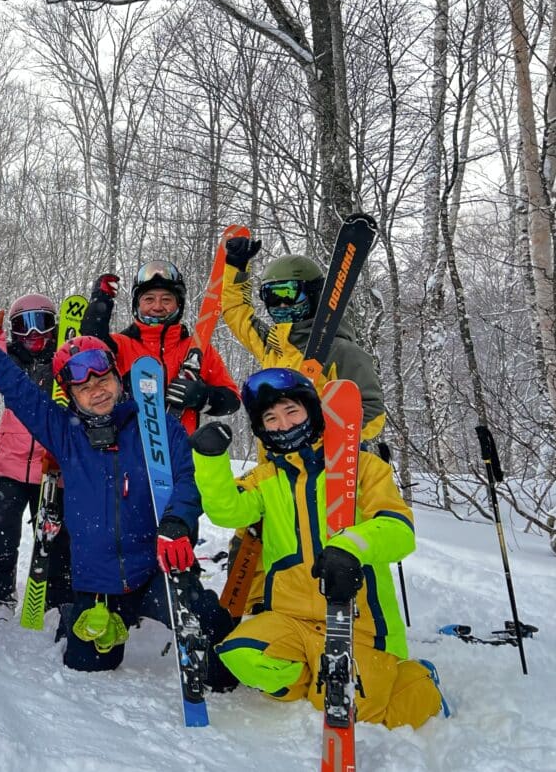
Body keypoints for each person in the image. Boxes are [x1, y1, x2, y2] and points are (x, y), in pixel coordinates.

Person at [0, 293, 234, 683]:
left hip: (154, 571)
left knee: (220, 658)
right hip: (97, 583)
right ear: (70, 394)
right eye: (82, 385)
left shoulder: (155, 426)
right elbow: (18, 390)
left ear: (117, 375)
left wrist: (178, 523)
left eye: (102, 378)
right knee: (88, 665)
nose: (96, 389)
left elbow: (184, 480)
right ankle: (77, 615)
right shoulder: (65, 433)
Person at [189, 368, 445, 727]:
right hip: (290, 618)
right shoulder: (265, 478)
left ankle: (415, 680)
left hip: (358, 621)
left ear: (312, 411)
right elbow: (226, 509)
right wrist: (210, 461)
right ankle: (318, 683)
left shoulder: (365, 468)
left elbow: (399, 530)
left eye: (292, 411)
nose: (283, 424)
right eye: (271, 418)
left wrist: (351, 548)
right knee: (241, 654)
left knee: (364, 713)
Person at [219, 237, 388, 615]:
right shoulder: (274, 347)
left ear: (311, 294)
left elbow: (371, 415)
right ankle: (256, 619)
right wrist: (236, 270)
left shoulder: (341, 352)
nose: (278, 306)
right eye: (270, 297)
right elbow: (236, 316)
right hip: (272, 474)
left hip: (321, 480)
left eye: (287, 294)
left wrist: (320, 428)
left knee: (307, 552)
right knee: (255, 544)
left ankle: (326, 622)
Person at [0, 293, 71, 615]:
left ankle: (57, 597)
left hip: (53, 464)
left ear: (54, 327)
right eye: (23, 326)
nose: (33, 334)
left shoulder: (63, 361)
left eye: (41, 324)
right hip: (10, 463)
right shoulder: (9, 360)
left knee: (57, 537)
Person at [83, 262, 240, 433]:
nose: (157, 307)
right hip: (126, 451)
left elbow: (233, 401)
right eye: (149, 299)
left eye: (166, 299)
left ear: (178, 305)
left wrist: (203, 397)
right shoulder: (120, 345)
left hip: (181, 451)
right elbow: (90, 345)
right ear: (137, 305)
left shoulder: (198, 348)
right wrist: (99, 304)